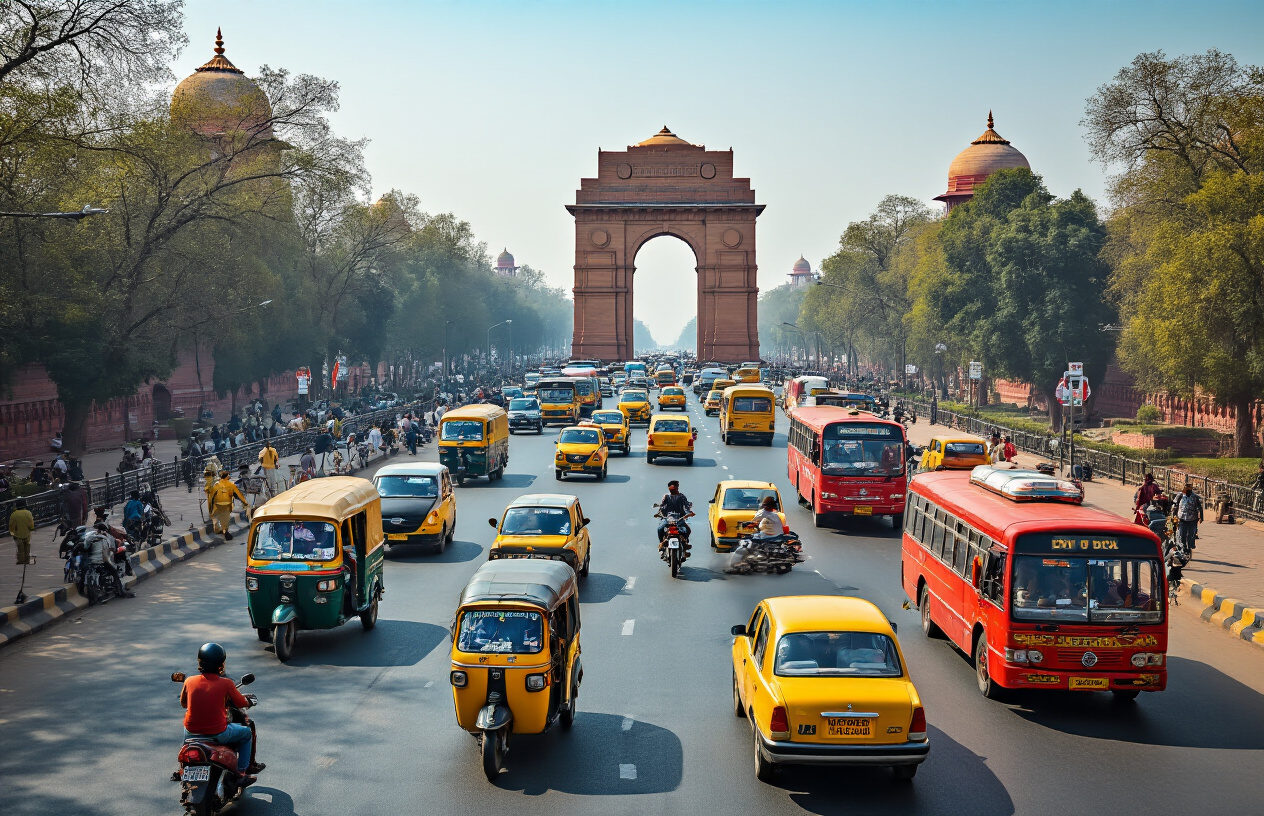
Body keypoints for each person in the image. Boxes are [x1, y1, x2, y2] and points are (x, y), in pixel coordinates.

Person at [180, 643, 263, 785]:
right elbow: (241, 703)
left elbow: (184, 704)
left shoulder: (189, 680)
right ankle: (242, 772)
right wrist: (249, 702)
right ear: (221, 664)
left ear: (200, 661)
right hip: (217, 733)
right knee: (246, 733)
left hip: (191, 733)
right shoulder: (226, 683)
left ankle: (182, 769)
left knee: (187, 730)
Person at [656, 480, 694, 554]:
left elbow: (687, 506)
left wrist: (689, 511)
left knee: (687, 530)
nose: (673, 490)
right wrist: (659, 512)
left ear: (677, 488)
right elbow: (662, 506)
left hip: (679, 518)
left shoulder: (682, 496)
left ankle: (685, 544)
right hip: (668, 518)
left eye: (675, 488)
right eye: (671, 488)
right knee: (660, 529)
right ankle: (661, 543)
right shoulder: (666, 496)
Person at [208, 471, 248, 541]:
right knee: (225, 519)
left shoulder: (216, 485)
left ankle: (217, 530)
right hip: (227, 504)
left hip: (217, 504)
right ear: (226, 476)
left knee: (216, 517)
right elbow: (238, 495)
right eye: (228, 475)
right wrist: (245, 503)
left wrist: (210, 508)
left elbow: (211, 498)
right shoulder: (231, 485)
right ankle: (225, 532)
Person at [1175, 483, 1204, 553]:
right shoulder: (1180, 495)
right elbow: (1175, 505)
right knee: (1182, 533)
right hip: (1182, 518)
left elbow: (1200, 507)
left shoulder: (1195, 497)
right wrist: (1174, 515)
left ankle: (1190, 546)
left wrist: (1201, 517)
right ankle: (1183, 546)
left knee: (1191, 534)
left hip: (1192, 518)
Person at [9, 499, 35, 565]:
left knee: (20, 548)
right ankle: (27, 560)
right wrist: (31, 528)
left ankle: (20, 560)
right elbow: (31, 525)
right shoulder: (28, 513)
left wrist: (12, 533)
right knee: (27, 547)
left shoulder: (14, 514)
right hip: (27, 534)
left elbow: (11, 525)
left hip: (17, 534)